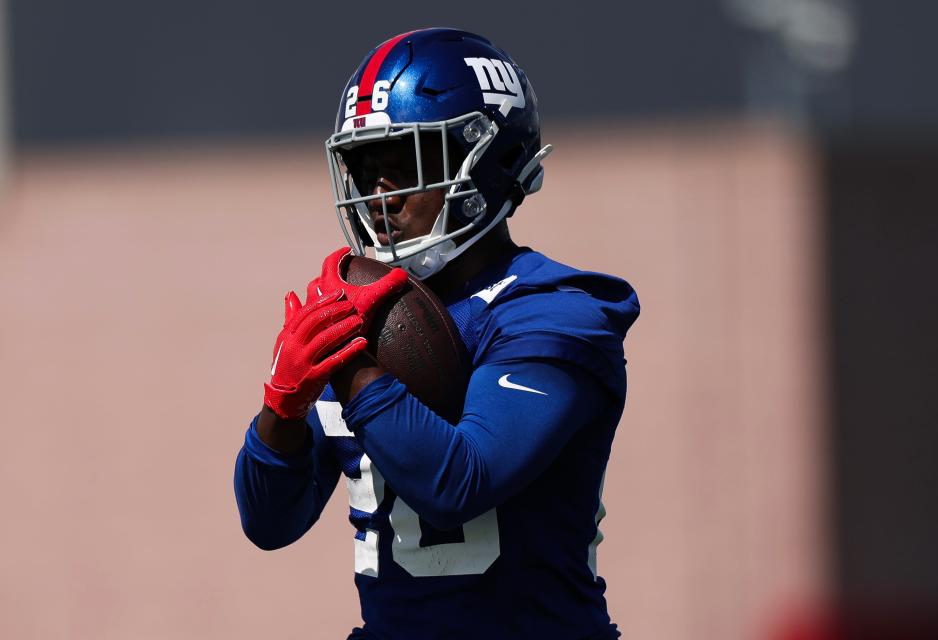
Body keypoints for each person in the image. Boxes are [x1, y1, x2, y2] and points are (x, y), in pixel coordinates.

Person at [234, 28, 640, 640]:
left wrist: (350, 363)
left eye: (403, 166)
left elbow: (460, 482)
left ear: (489, 162)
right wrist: (281, 406)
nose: (378, 198)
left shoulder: (557, 311)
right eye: (364, 170)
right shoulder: (370, 311)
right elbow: (269, 522)